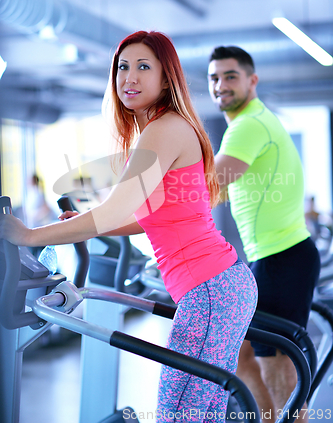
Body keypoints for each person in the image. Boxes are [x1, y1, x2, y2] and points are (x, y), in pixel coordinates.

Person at [0, 32, 257, 422]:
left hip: (209, 290)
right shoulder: (167, 127)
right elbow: (147, 217)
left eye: (143, 67)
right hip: (221, 285)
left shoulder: (163, 129)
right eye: (122, 67)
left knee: (180, 413)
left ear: (166, 78)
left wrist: (28, 236)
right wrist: (94, 228)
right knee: (202, 412)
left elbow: (111, 210)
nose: (129, 77)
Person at [207, 45, 321, 423]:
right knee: (241, 353)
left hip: (281, 257)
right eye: (214, 78)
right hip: (269, 258)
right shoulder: (251, 123)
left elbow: (208, 188)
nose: (220, 84)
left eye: (230, 76)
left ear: (252, 80)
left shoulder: (249, 126)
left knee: (276, 363)